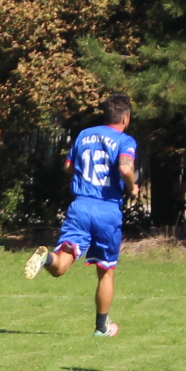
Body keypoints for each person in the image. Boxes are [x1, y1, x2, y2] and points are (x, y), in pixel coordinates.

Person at [23, 94, 138, 335]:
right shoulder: (125, 140)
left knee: (61, 265)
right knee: (106, 271)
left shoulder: (85, 135)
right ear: (125, 118)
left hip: (80, 207)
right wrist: (132, 187)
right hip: (106, 209)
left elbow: (67, 166)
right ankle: (101, 327)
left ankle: (46, 259)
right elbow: (126, 168)